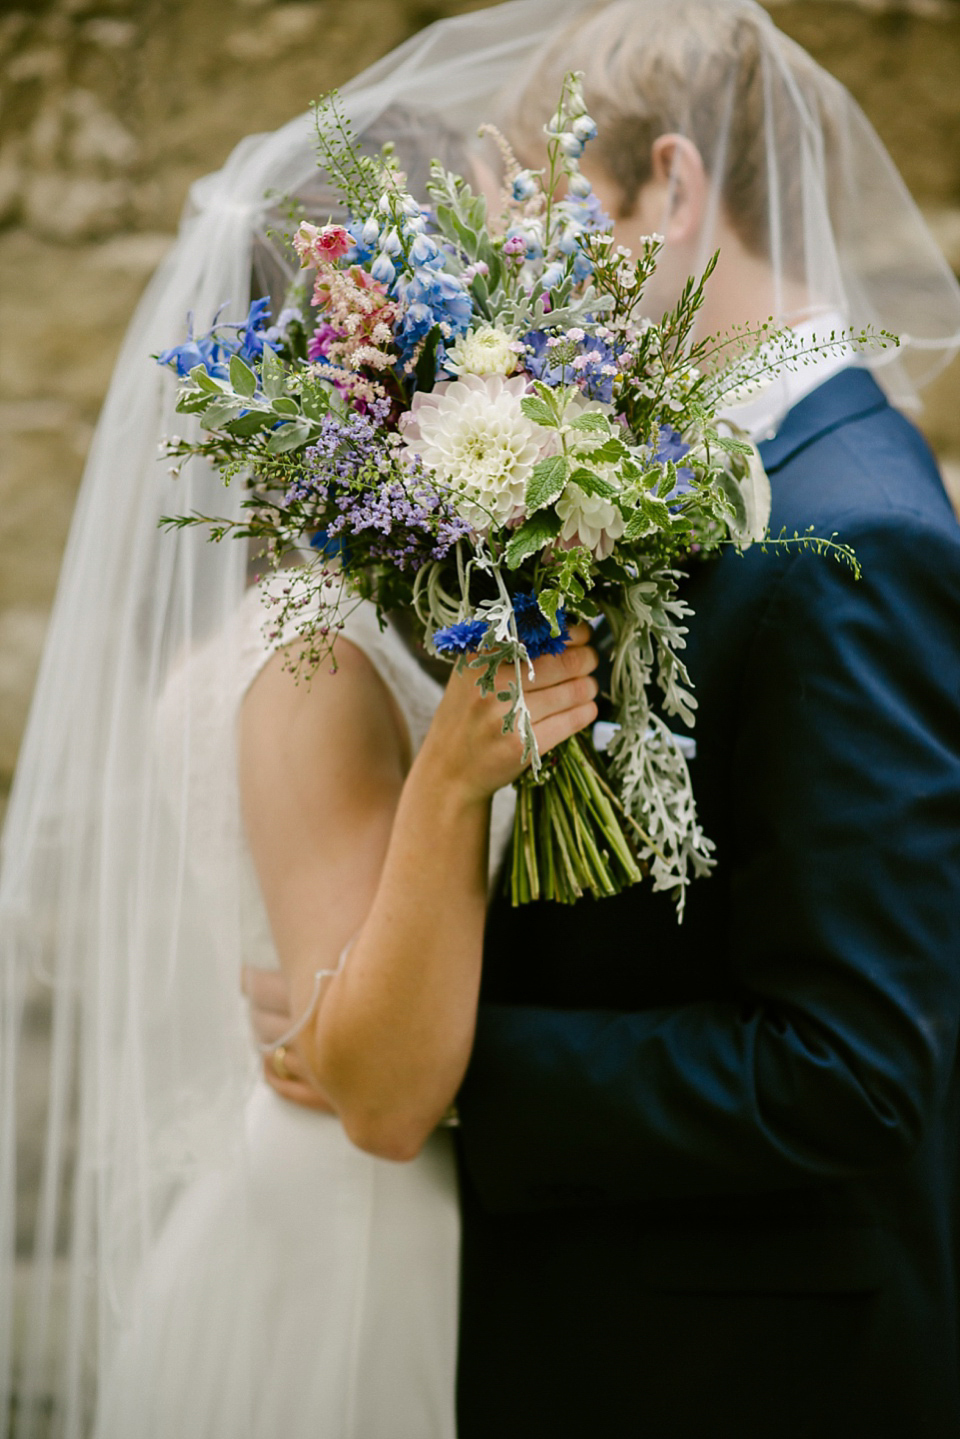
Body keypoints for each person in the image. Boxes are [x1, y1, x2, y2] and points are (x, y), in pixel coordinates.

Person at [2, 4, 959, 1439]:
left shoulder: (843, 525)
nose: (533, 294)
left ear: (676, 188)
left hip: (741, 1356)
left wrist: (430, 1052)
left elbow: (857, 1062)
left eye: (561, 222)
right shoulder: (684, 495)